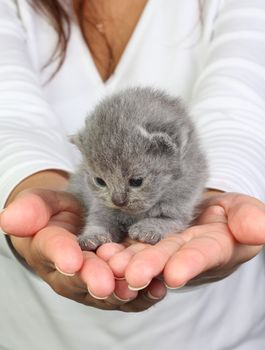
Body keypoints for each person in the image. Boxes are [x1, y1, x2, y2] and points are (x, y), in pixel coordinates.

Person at [1, 0, 265, 348]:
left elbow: (243, 106)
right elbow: (9, 115)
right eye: (101, 182)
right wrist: (30, 184)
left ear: (169, 149)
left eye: (135, 181)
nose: (119, 199)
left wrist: (218, 196)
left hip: (218, 335)